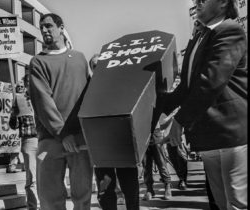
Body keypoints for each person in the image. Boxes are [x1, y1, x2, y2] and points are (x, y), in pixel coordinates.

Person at [160, 0, 247, 209]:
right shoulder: (199, 37)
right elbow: (186, 88)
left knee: (237, 204)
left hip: (231, 134)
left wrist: (180, 121)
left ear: (223, 3)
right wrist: (154, 107)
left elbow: (211, 82)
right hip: (208, 136)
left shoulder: (230, 30)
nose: (196, 3)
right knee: (221, 203)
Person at [29, 13, 93, 210]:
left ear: (61, 27)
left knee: (82, 197)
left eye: (49, 26)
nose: (45, 31)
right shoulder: (38, 62)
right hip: (50, 140)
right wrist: (63, 133)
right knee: (49, 198)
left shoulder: (80, 59)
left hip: (80, 139)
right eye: (42, 28)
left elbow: (89, 97)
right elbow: (43, 102)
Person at [89, 53, 139, 210]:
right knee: (105, 190)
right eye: (95, 66)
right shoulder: (87, 89)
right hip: (101, 147)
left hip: (123, 143)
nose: (98, 68)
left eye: (101, 64)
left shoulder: (122, 85)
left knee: (130, 186)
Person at [9, 77, 39, 210]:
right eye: (28, 83)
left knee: (47, 175)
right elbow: (13, 125)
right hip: (30, 141)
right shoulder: (19, 99)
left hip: (47, 140)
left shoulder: (44, 96)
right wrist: (14, 115)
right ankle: (32, 206)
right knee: (32, 176)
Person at [142, 126, 172, 201]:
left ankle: (167, 186)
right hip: (142, 137)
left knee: (161, 164)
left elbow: (169, 117)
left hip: (156, 136)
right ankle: (149, 190)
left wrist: (161, 129)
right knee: (146, 166)